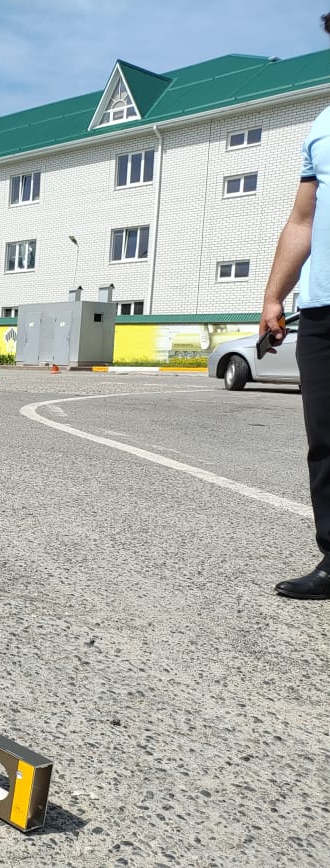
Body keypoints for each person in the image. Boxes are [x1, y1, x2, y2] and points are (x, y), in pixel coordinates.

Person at [261, 11, 330, 600]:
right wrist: (273, 295)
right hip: (325, 312)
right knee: (326, 439)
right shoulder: (322, 125)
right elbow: (302, 221)